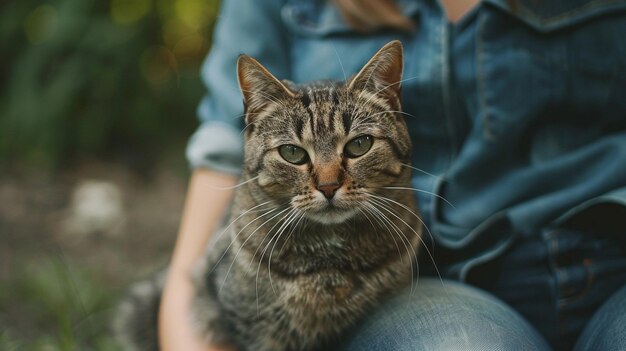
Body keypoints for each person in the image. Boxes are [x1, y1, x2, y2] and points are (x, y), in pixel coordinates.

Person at [158, 0, 626, 350]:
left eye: (356, 146)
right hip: (447, 279)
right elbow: (221, 144)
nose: (328, 180)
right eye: (297, 155)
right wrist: (183, 297)